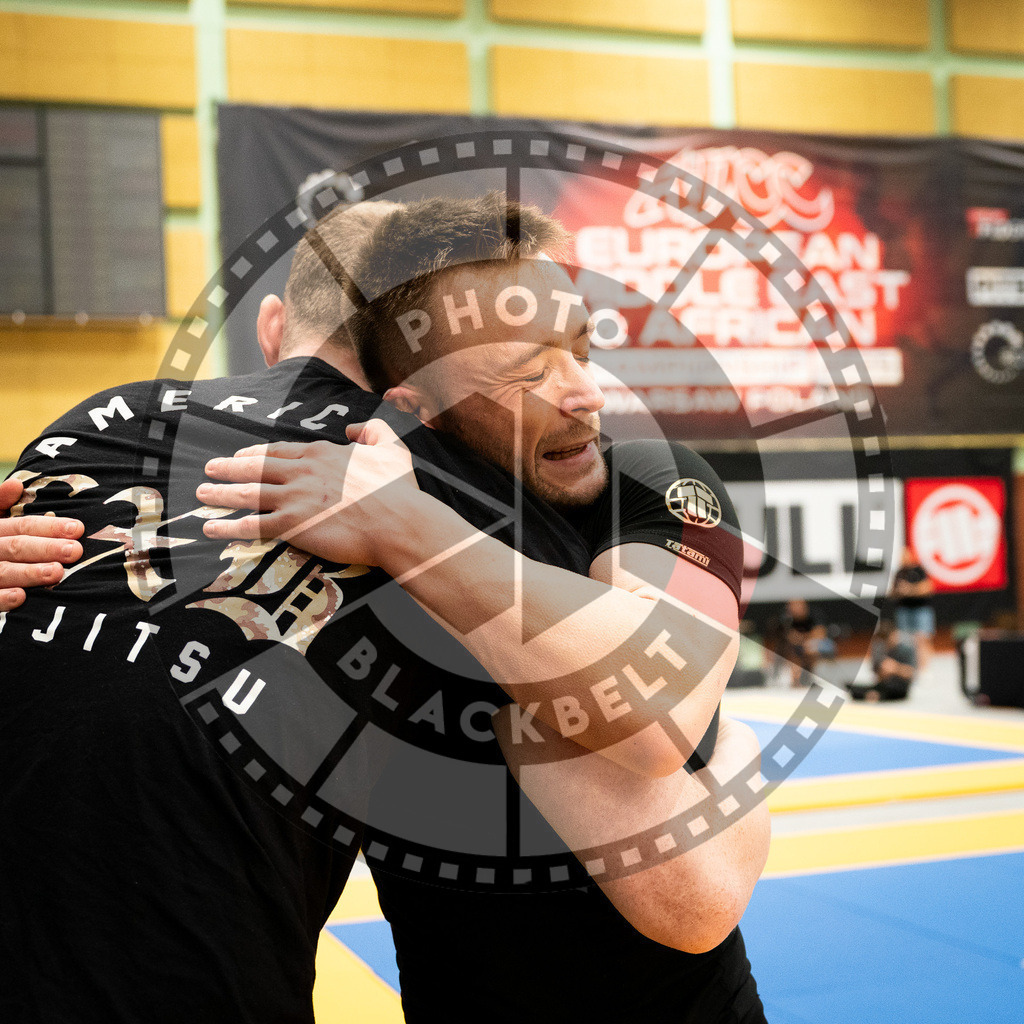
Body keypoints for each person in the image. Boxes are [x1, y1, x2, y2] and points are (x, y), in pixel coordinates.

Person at [0, 195, 767, 1022]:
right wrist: (738, 753)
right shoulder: (449, 485)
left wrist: (409, 531)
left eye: (579, 348)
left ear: (273, 328)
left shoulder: (101, 425)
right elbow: (689, 881)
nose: (581, 392)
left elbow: (683, 861)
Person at [847, 620, 917, 702]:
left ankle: (876, 695)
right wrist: (882, 672)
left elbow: (911, 674)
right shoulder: (879, 648)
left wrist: (895, 669)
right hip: (883, 684)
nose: (887, 643)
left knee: (896, 690)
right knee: (850, 687)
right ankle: (876, 694)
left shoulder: (906, 648)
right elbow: (875, 673)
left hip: (899, 686)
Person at [890, 545, 935, 669]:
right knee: (905, 641)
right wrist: (899, 591)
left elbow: (928, 588)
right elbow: (892, 592)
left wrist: (910, 589)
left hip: (920, 610)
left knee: (922, 639)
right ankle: (910, 667)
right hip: (904, 610)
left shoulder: (919, 571)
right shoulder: (899, 573)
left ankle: (924, 667)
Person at [778, 597, 835, 686]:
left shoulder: (814, 613)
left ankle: (811, 676)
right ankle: (797, 679)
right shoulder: (786, 616)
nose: (793, 609)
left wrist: (804, 638)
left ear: (803, 605)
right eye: (791, 607)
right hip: (798, 645)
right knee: (788, 648)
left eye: (797, 606)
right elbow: (791, 636)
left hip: (820, 643)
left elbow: (820, 633)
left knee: (811, 647)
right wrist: (802, 639)